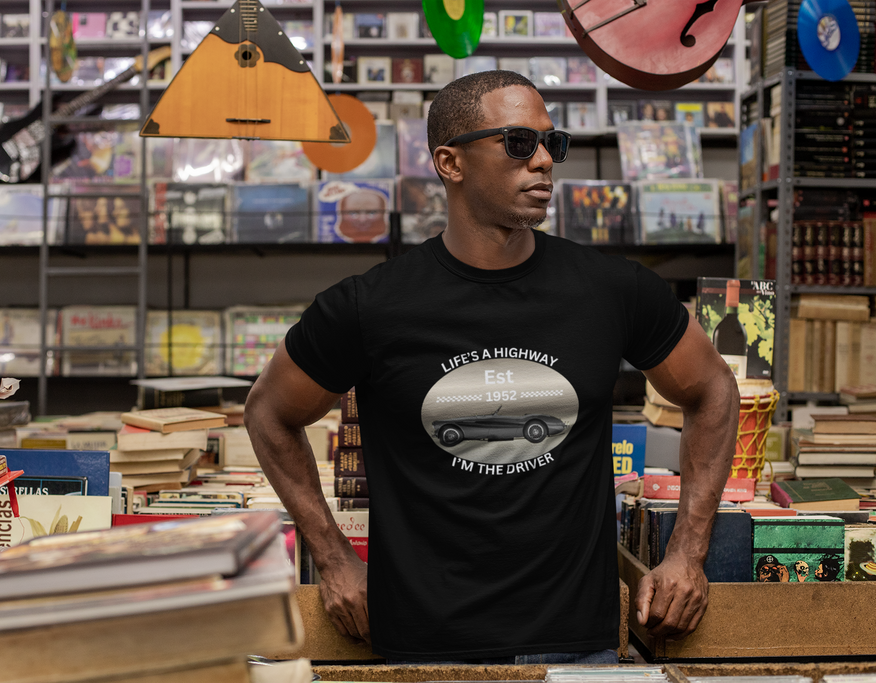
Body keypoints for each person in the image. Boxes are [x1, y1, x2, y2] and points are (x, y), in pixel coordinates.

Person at [245, 70, 739, 664]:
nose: (543, 163)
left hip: (574, 645)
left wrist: (687, 551)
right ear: (450, 163)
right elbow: (269, 413)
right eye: (517, 143)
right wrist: (331, 556)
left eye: (551, 144)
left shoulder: (612, 290)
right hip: (420, 648)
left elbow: (712, 388)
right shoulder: (368, 305)